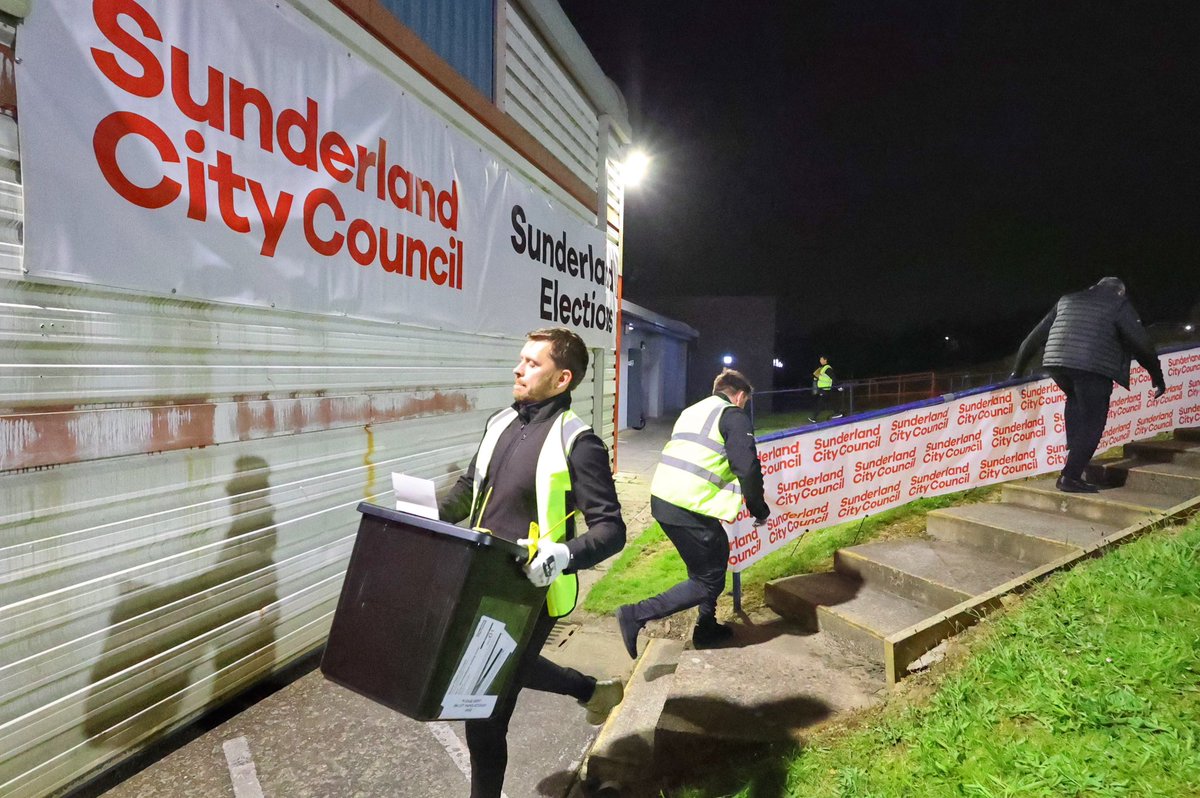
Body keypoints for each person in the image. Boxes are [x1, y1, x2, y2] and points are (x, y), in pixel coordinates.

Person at [438, 327, 627, 798]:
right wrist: (421, 510)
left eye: (532, 363)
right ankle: (592, 691)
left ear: (562, 379)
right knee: (511, 668)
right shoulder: (500, 422)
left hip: (532, 592)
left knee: (484, 708)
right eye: (520, 359)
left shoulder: (579, 442)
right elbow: (469, 489)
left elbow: (611, 531)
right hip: (479, 576)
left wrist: (563, 555)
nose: (518, 369)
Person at [615, 369, 770, 657]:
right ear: (738, 396)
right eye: (744, 401)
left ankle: (707, 627)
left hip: (665, 498)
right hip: (688, 505)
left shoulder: (693, 411)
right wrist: (759, 509)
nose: (744, 406)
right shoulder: (733, 415)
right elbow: (746, 467)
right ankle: (636, 614)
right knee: (708, 578)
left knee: (712, 558)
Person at [1011, 277, 1166, 493]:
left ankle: (1075, 459)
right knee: (1093, 424)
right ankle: (1070, 477)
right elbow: (1141, 343)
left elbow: (1032, 339)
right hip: (1093, 368)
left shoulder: (1067, 300)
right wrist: (1157, 376)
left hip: (1056, 363)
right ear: (1120, 292)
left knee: (1075, 401)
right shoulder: (1118, 303)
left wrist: (1016, 373)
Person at [810, 355, 837, 422]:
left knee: (820, 403)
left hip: (825, 388)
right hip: (823, 389)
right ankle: (838, 412)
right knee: (829, 402)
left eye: (821, 360)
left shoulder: (827, 368)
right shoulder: (821, 368)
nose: (820, 361)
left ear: (825, 360)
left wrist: (838, 386)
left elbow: (833, 377)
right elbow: (818, 375)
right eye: (820, 360)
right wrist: (816, 378)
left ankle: (814, 418)